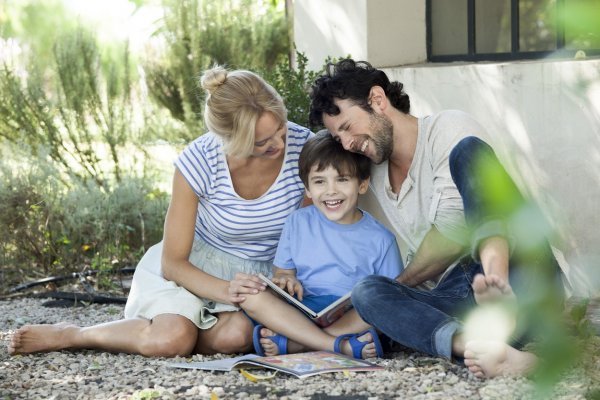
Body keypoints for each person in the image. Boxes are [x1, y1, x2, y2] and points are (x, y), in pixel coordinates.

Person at [7, 66, 314, 357]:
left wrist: (283, 277)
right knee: (169, 340)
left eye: (281, 129)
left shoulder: (304, 149)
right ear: (231, 140)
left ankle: (187, 332)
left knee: (234, 338)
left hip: (259, 278)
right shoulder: (199, 161)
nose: (279, 143)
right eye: (262, 142)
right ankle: (74, 334)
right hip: (195, 268)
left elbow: (308, 233)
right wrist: (226, 289)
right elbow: (173, 263)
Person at [308, 59, 563, 377]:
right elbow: (320, 176)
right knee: (368, 292)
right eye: (337, 137)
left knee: (469, 154)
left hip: (521, 273)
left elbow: (451, 237)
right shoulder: (372, 169)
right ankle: (481, 347)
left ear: (377, 100)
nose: (346, 143)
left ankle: (495, 290)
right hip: (460, 293)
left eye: (346, 127)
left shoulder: (449, 129)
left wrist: (403, 284)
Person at [229, 130, 403, 359]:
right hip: (302, 309)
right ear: (308, 189)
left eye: (342, 179)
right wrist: (286, 280)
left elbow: (392, 296)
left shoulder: (382, 239)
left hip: (350, 315)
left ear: (362, 184)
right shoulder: (297, 222)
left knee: (386, 306)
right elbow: (283, 273)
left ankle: (298, 343)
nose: (331, 191)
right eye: (320, 181)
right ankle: (338, 346)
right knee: (250, 296)